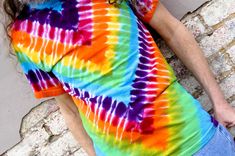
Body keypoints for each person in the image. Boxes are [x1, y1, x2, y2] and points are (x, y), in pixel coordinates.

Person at [3, 0, 235, 155]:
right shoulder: (25, 36)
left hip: (196, 142)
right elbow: (69, 110)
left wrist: (219, 102)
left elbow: (171, 29)